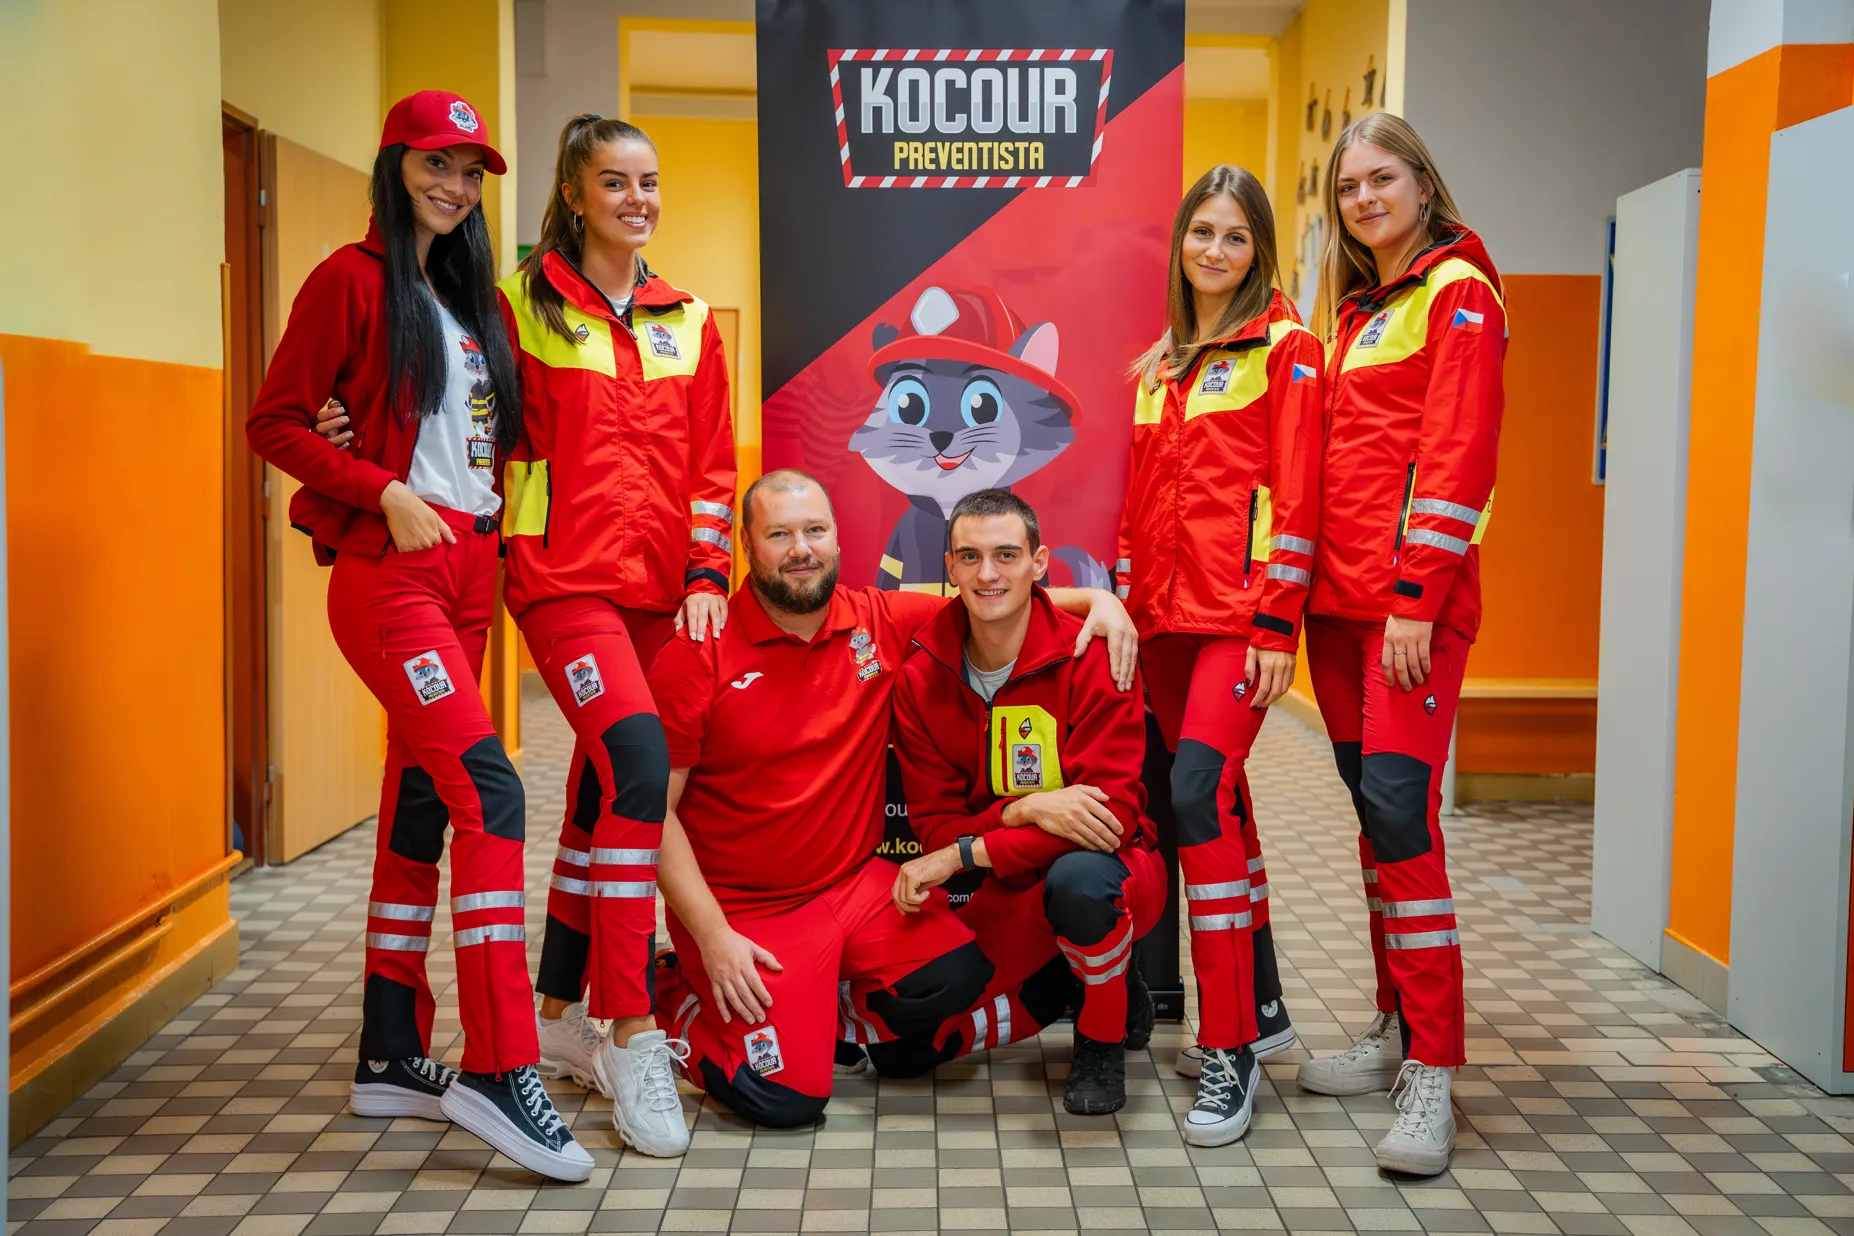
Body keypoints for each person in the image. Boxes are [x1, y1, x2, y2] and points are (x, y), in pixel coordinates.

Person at [319, 113, 733, 1157]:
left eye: (650, 180)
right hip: (562, 584)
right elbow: (443, 409)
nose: (637, 199)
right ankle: (629, 1027)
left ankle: (551, 1015)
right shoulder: (514, 305)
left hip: (661, 596)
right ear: (576, 195)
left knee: (598, 792)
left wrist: (705, 574)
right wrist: (344, 432)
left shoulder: (691, 320)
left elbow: (712, 468)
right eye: (615, 182)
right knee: (636, 764)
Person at [246, 90, 591, 1182]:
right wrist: (379, 487)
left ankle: (391, 1051)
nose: (456, 186)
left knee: (422, 802)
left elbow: (497, 438)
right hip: (393, 573)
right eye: (437, 163)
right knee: (493, 791)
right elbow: (274, 421)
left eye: (471, 172)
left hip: (470, 570)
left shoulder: (476, 302)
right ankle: (499, 1064)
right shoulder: (349, 281)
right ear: (395, 165)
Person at [645, 469, 1139, 1125]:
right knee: (785, 1100)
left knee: (954, 976)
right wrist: (711, 936)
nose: (802, 549)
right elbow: (650, 815)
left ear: (837, 538)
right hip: (745, 912)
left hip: (855, 888)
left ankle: (815, 1008)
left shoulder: (877, 619)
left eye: (815, 530)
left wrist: (1100, 602)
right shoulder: (697, 651)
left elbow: (995, 596)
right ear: (747, 545)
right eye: (780, 535)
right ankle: (667, 991)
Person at [1296, 113, 1507, 1177]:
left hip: (1407, 613)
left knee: (1400, 817)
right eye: (1349, 187)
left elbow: (1459, 453)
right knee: (1375, 821)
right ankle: (1392, 1027)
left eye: (1383, 178)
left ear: (1425, 183)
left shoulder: (1458, 292)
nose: (1365, 198)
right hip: (1336, 611)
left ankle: (1433, 1068)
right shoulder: (1355, 313)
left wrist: (1417, 598)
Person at [1115, 165, 1323, 1144]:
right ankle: (1267, 1006)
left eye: (1236, 236)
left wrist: (1278, 624)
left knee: (1197, 794)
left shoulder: (1287, 350)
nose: (1215, 250)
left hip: (1237, 619)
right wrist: (1126, 609)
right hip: (1162, 624)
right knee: (1216, 802)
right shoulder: (1162, 364)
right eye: (1203, 231)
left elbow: (1299, 497)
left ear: (1259, 251)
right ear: (1181, 243)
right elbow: (1136, 504)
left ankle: (1229, 1044)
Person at [889, 489, 1166, 1118]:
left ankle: (1100, 1033)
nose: (987, 573)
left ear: (1039, 563)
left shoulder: (1095, 653)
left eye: (1006, 555)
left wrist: (968, 850)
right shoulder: (921, 677)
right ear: (950, 568)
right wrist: (1021, 812)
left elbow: (1111, 818)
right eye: (970, 557)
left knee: (1081, 883)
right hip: (1005, 887)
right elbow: (935, 830)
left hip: (1115, 870)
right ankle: (1073, 979)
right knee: (905, 1050)